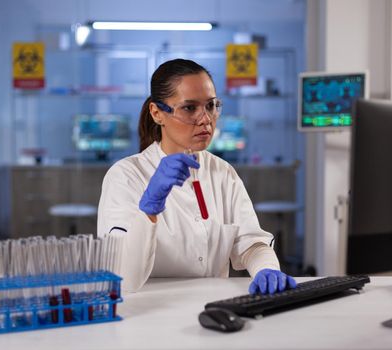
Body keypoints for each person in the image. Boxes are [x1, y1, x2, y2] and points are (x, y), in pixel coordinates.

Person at [97, 58, 296, 294]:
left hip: (213, 308)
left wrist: (266, 268)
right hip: (149, 313)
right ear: (157, 113)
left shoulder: (222, 173)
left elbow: (250, 242)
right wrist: (148, 210)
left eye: (211, 106)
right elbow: (122, 278)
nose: (206, 120)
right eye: (189, 108)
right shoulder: (125, 176)